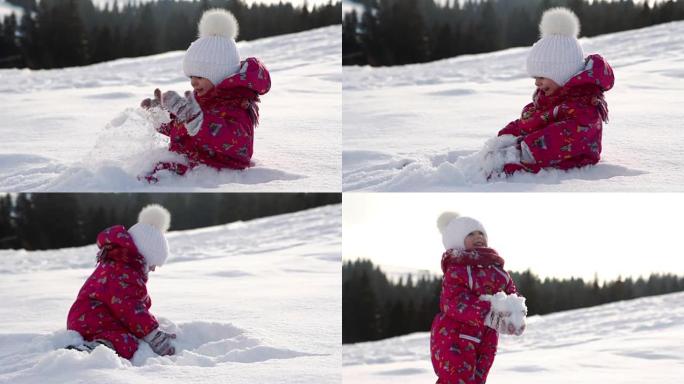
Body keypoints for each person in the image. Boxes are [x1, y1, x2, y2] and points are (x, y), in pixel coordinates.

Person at [140, 9, 271, 183]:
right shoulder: (203, 100)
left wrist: (195, 121)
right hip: (193, 161)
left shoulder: (238, 104)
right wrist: (162, 118)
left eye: (199, 77)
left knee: (153, 177)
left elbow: (236, 143)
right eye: (191, 77)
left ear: (219, 73)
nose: (193, 83)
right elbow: (184, 131)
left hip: (214, 172)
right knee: (146, 172)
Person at [493, 7, 614, 175]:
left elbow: (569, 133)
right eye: (535, 77)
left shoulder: (585, 105)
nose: (537, 83)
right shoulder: (550, 98)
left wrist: (524, 148)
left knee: (508, 172)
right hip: (540, 155)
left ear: (562, 72)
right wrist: (506, 135)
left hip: (571, 164)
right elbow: (533, 120)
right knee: (499, 167)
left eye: (541, 77)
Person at [66, 205, 176, 359]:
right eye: (152, 265)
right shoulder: (124, 273)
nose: (153, 270)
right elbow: (130, 307)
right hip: (92, 317)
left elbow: (134, 300)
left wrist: (147, 317)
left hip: (89, 315)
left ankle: (96, 345)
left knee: (128, 332)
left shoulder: (119, 267)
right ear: (142, 258)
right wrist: (153, 334)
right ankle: (92, 350)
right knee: (126, 342)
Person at [430, 212, 526, 384]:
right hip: (455, 336)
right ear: (457, 241)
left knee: (478, 380)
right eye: (471, 234)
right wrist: (487, 314)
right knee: (456, 379)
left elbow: (511, 293)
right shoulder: (457, 268)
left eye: (481, 233)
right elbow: (453, 301)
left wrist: (515, 315)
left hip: (487, 337)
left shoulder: (497, 269)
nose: (478, 237)